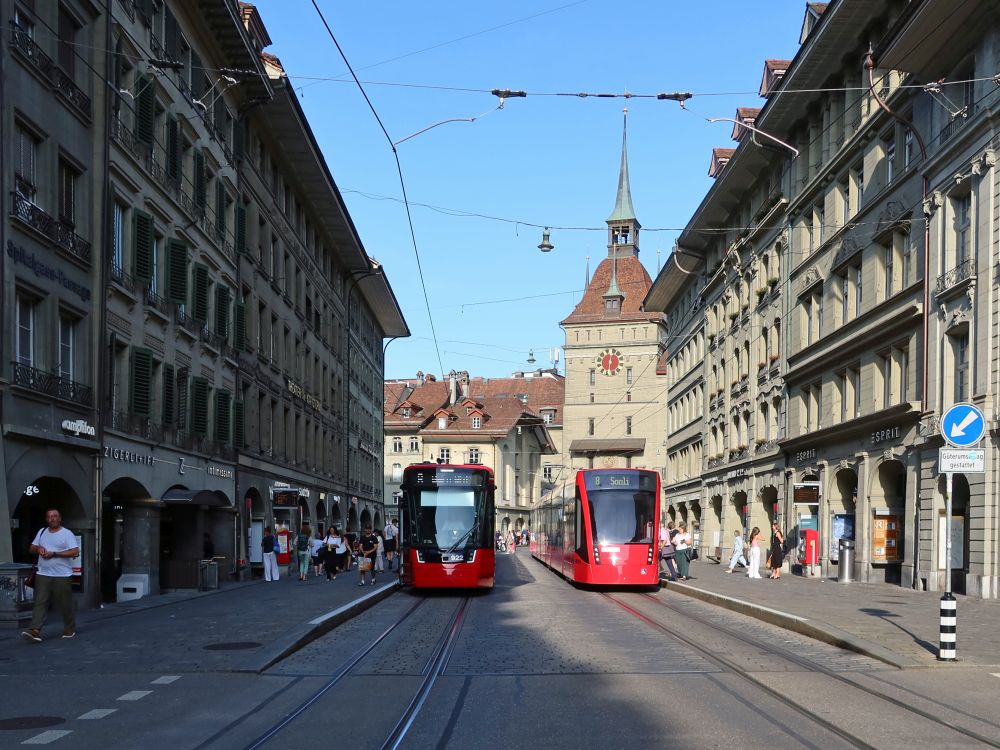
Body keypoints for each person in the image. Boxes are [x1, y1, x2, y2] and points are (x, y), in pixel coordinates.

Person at [22, 509, 79, 642]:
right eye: (49, 517)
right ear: (46, 519)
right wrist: (39, 549)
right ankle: (35, 630)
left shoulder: (67, 534)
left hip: (62, 575)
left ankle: (69, 628)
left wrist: (55, 554)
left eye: (54, 516)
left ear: (59, 518)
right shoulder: (42, 532)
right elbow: (31, 548)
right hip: (43, 573)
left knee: (64, 603)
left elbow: (75, 552)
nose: (51, 518)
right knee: (40, 602)